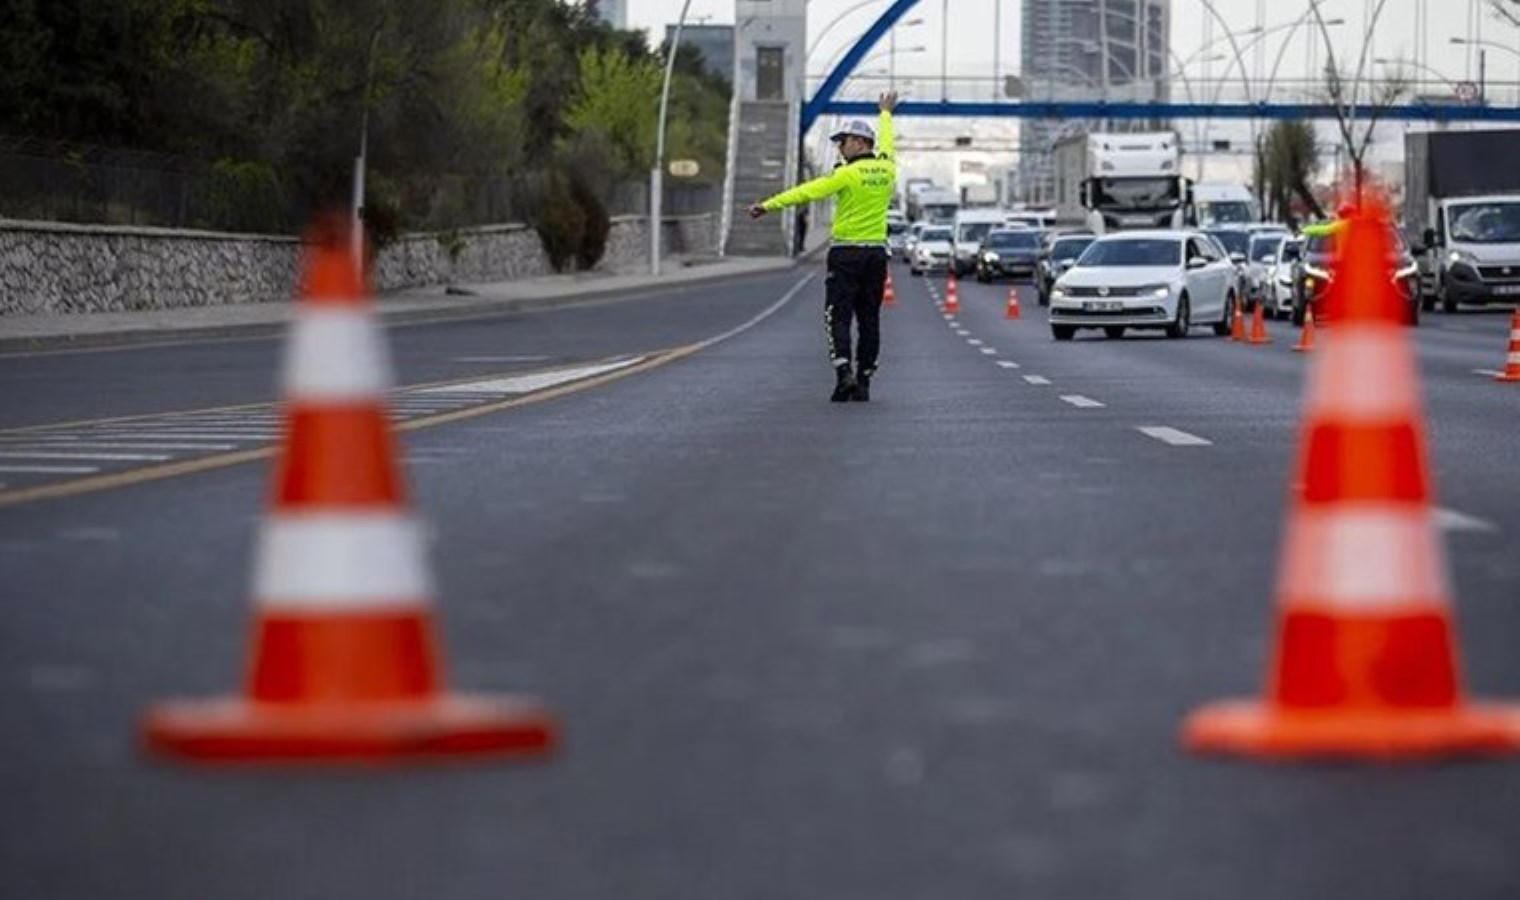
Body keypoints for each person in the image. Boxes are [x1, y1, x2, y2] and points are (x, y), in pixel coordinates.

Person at [750, 92, 898, 402]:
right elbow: (888, 142)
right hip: (875, 255)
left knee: (838, 315)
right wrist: (885, 112)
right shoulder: (887, 169)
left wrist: (768, 205)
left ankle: (844, 373)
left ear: (858, 143)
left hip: (846, 254)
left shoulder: (845, 174)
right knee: (869, 318)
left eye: (843, 141)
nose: (840, 148)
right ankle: (865, 380)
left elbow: (807, 192)